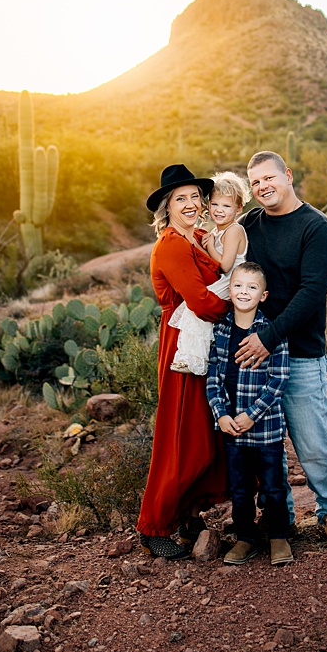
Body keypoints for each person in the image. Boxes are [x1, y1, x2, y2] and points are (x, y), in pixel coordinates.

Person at [236, 150, 327, 545]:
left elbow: (310, 294)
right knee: (266, 444)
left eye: (269, 178)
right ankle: (280, 518)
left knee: (312, 439)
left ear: (287, 175)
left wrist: (268, 338)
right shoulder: (250, 223)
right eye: (255, 183)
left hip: (298, 352)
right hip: (256, 357)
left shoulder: (316, 228)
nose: (263, 187)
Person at [136, 164, 230, 559]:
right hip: (183, 350)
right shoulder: (172, 244)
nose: (191, 204)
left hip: (206, 345)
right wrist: (243, 301)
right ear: (167, 207)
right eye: (181, 199)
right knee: (181, 437)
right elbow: (204, 303)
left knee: (204, 436)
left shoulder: (202, 238)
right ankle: (153, 526)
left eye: (195, 196)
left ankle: (190, 516)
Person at [206, 262, 293, 566]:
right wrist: (221, 415)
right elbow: (213, 377)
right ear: (229, 291)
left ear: (264, 295)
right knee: (241, 490)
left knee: (273, 485)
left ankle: (279, 536)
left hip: (265, 428)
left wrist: (252, 415)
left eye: (252, 287)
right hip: (232, 429)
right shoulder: (220, 330)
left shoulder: (272, 333)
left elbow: (279, 380)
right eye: (238, 286)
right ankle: (246, 538)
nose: (244, 292)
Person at [168, 171, 250, 374]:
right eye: (215, 204)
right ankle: (188, 356)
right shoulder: (215, 232)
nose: (219, 210)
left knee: (200, 309)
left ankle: (196, 359)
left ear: (238, 209)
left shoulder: (234, 231)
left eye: (226, 206)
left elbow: (224, 265)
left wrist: (210, 246)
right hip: (225, 279)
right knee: (192, 308)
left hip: (233, 280)